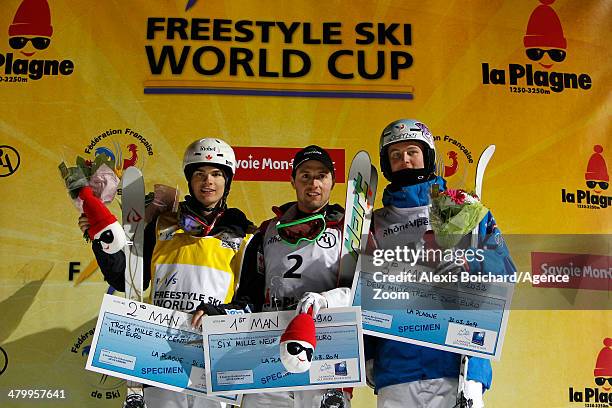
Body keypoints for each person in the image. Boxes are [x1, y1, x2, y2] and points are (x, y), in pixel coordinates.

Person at [80, 138, 254, 408]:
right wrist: (100, 239)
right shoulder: (162, 224)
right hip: (159, 351)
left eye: (217, 174)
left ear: (227, 181)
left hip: (211, 355)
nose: (208, 181)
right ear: (189, 179)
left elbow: (249, 302)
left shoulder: (245, 235)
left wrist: (221, 314)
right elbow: (125, 278)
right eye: (199, 174)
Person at [365, 119, 516, 408]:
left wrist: (468, 262)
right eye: (395, 155)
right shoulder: (374, 224)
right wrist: (369, 352)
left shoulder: (465, 210)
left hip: (458, 361)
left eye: (412, 151)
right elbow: (366, 292)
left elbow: (505, 269)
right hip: (398, 365)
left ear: (429, 156)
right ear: (387, 164)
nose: (405, 160)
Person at [194, 145, 352, 408]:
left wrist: (326, 300)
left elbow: (362, 294)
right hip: (267, 358)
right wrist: (221, 314)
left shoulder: (349, 230)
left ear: (332, 181)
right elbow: (249, 298)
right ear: (292, 181)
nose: (313, 183)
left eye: (322, 175)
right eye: (305, 176)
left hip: (325, 361)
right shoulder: (267, 231)